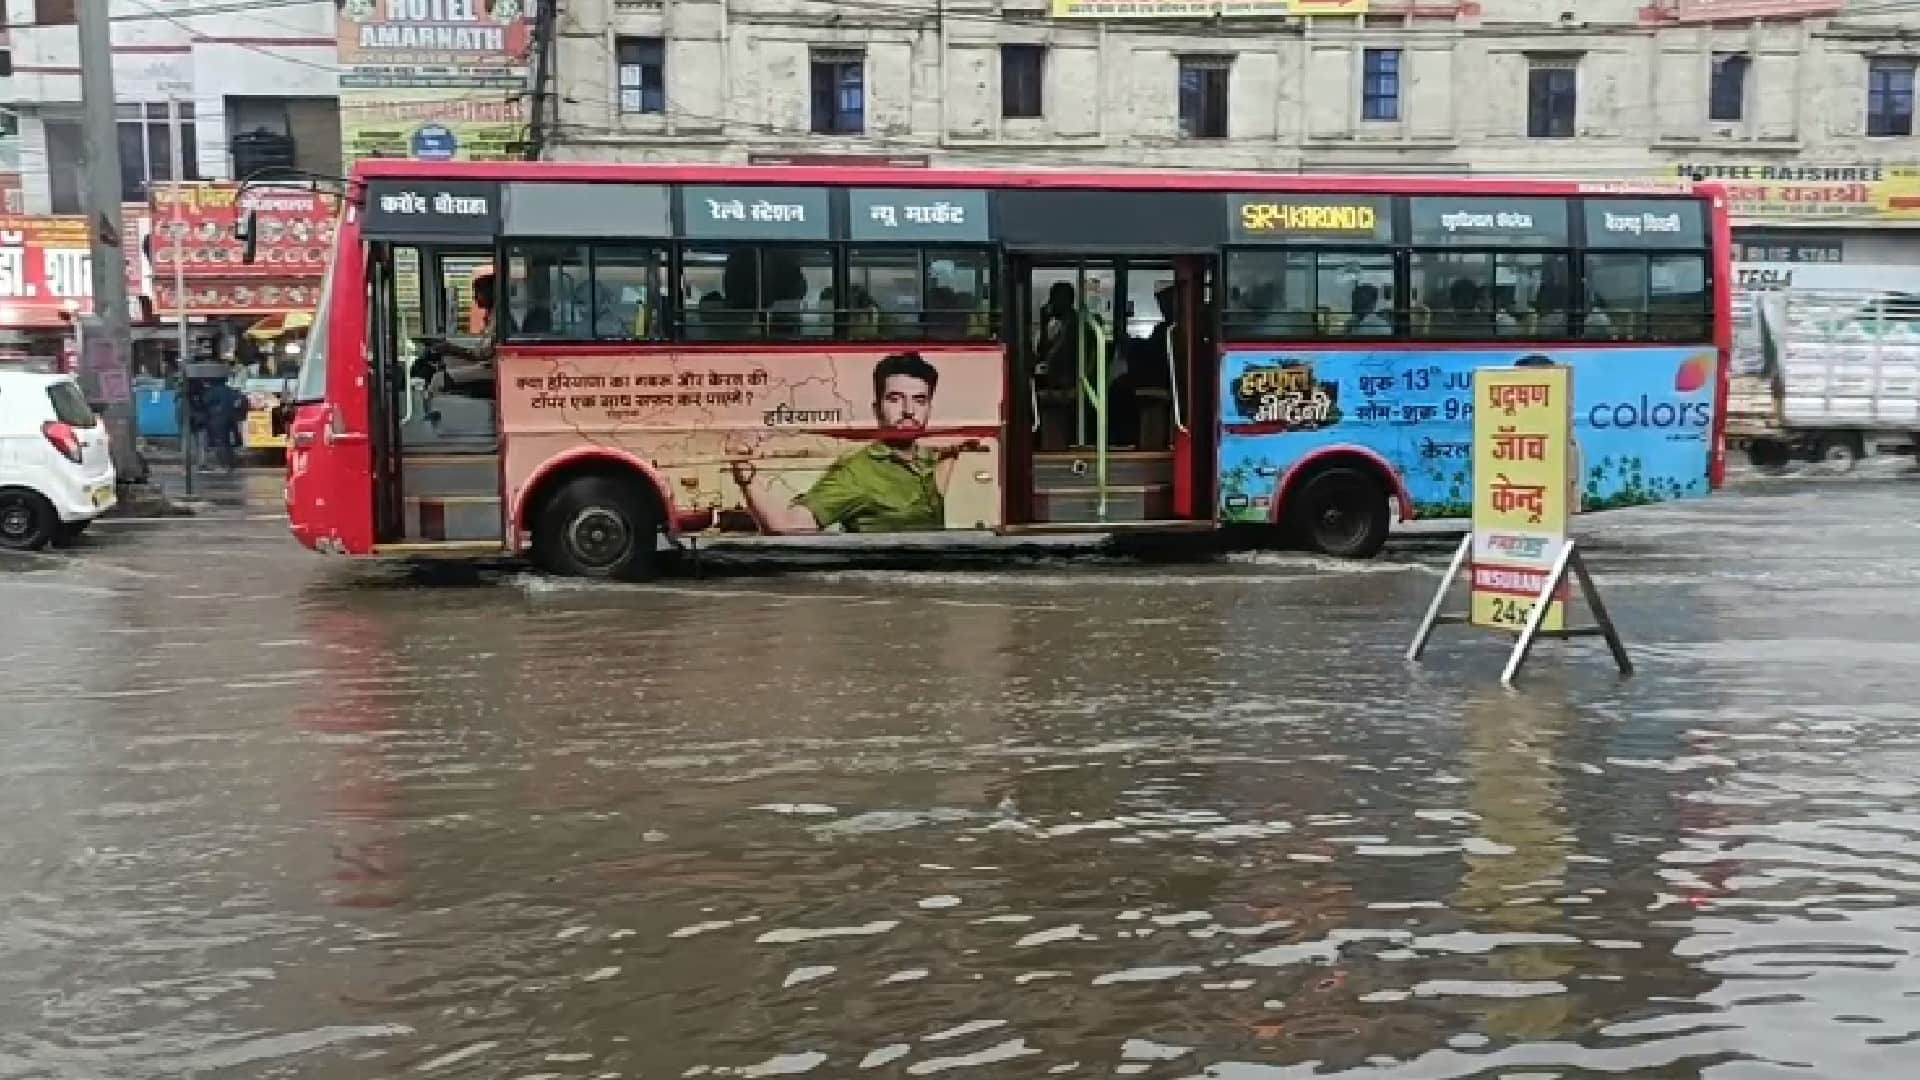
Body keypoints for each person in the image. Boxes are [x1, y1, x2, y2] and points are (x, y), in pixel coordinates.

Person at [731, 352, 982, 534]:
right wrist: (745, 474)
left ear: (929, 407)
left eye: (919, 400)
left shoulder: (930, 458)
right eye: (895, 399)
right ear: (876, 409)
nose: (908, 411)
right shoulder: (856, 472)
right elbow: (786, 527)